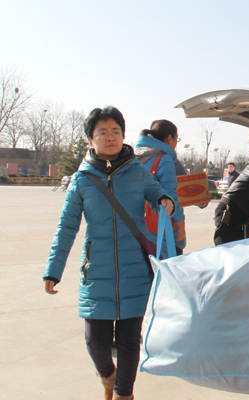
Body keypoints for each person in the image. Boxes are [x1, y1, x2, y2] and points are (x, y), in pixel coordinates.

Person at [43, 106, 174, 400]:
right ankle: (107, 376)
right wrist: (53, 269)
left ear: (123, 135)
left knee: (129, 343)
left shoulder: (137, 172)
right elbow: (67, 227)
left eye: (116, 131)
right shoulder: (81, 180)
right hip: (97, 271)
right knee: (95, 342)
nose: (111, 137)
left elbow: (158, 194)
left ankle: (124, 394)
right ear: (91, 139)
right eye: (102, 132)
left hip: (135, 270)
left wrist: (166, 201)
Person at [134, 119, 185, 255]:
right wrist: (180, 224)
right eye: (176, 139)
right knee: (162, 265)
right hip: (157, 228)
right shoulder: (164, 159)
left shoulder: (134, 156)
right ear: (169, 139)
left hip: (134, 225)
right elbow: (170, 196)